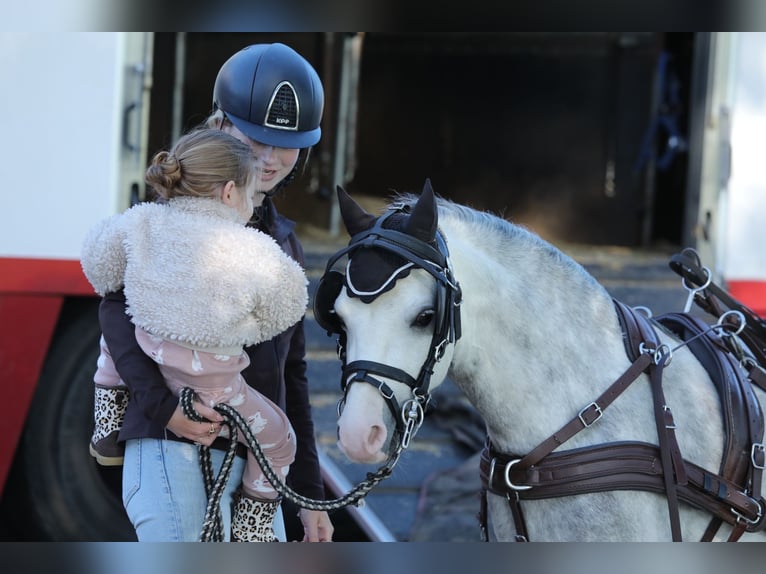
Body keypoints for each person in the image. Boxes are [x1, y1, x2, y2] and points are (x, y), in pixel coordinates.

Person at [92, 42, 334, 542]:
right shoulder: (168, 218)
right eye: (254, 137)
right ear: (221, 125)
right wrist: (164, 409)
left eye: (284, 143)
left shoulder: (284, 241)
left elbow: (292, 376)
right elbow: (115, 317)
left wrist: (309, 496)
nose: (268, 157)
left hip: (254, 466)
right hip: (170, 444)